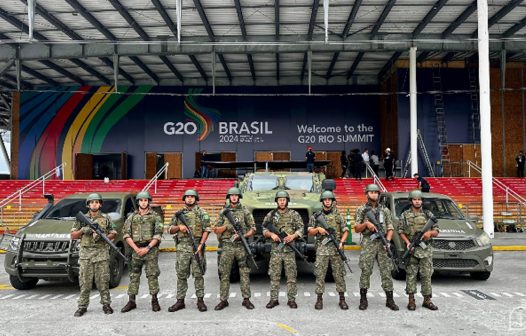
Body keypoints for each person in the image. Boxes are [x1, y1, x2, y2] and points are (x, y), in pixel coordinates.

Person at [70, 193, 117, 317]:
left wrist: (104, 236)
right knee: (85, 282)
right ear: (88, 205)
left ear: (100, 204)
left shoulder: (106, 218)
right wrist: (83, 230)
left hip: (101, 254)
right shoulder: (81, 219)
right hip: (86, 255)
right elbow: (73, 235)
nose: (94, 204)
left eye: (96, 202)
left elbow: (113, 233)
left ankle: (106, 304)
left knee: (103, 281)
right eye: (92, 202)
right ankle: (82, 306)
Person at [354, 184, 399, 311]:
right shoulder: (361, 209)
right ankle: (363, 299)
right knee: (366, 271)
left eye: (376, 192)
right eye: (371, 192)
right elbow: (357, 228)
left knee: (386, 271)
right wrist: (366, 224)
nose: (374, 194)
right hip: (369, 242)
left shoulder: (385, 210)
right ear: (366, 194)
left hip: (383, 242)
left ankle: (390, 300)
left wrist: (388, 241)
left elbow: (390, 228)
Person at [213, 187, 256, 310]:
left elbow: (253, 228)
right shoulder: (223, 212)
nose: (234, 197)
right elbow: (216, 229)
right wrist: (227, 227)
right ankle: (223, 300)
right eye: (232, 195)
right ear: (229, 197)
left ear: (239, 197)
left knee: (244, 273)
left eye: (236, 195)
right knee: (225, 273)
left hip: (241, 246)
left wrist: (243, 235)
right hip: (227, 246)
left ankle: (246, 299)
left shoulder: (244, 211)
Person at [168, 189, 211, 312]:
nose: (190, 199)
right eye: (187, 197)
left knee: (199, 275)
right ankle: (180, 301)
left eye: (192, 197)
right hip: (183, 248)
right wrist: (179, 227)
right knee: (181, 275)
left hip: (197, 247)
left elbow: (207, 230)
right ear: (184, 199)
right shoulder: (178, 214)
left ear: (196, 199)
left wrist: (201, 245)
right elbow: (169, 229)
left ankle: (200, 301)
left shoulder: (202, 213)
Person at [121, 191, 164, 313]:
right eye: (141, 200)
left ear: (148, 201)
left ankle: (154, 300)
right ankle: (131, 301)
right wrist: (136, 249)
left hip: (150, 250)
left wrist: (147, 248)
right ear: (138, 202)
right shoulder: (132, 217)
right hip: (136, 250)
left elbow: (158, 234)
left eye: (145, 200)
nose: (143, 202)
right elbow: (126, 234)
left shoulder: (155, 216)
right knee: (134, 276)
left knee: (152, 275)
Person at [307, 190, 349, 310]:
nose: (327, 201)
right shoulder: (316, 216)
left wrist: (341, 242)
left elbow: (346, 230)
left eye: (329, 200)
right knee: (320, 274)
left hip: (336, 249)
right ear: (322, 201)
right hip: (322, 249)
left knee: (339, 275)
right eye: (325, 200)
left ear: (332, 201)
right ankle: (319, 299)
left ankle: (342, 299)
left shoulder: (338, 215)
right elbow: (309, 230)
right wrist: (318, 229)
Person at [399, 190, 440, 311]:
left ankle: (427, 300)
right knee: (411, 275)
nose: (417, 201)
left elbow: (437, 231)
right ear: (411, 201)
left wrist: (429, 233)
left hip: (425, 250)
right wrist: (407, 243)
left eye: (419, 199)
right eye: (415, 199)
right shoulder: (405, 215)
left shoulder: (428, 214)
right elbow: (400, 231)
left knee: (426, 275)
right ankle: (411, 300)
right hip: (412, 249)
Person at [263, 190, 304, 309]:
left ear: (287, 201)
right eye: (280, 200)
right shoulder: (271, 215)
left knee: (291, 276)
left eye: (284, 200)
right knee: (274, 276)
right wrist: (271, 235)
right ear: (276, 201)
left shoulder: (294, 214)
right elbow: (264, 228)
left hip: (289, 251)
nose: (282, 202)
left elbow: (301, 228)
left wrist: (293, 236)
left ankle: (291, 299)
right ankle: (274, 299)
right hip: (276, 250)